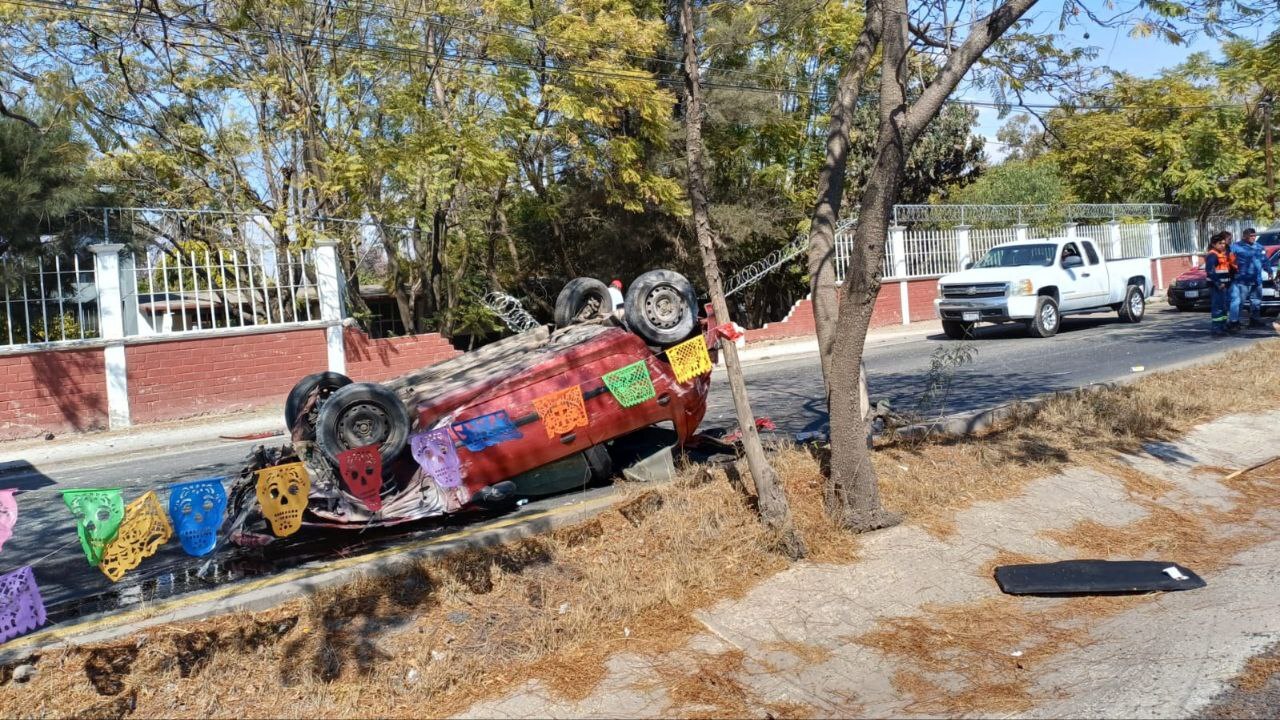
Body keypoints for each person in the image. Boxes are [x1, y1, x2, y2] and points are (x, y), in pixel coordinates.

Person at [1229, 227, 1270, 329]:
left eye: (1254, 235)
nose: (1253, 238)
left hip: (1257, 279)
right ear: (1245, 236)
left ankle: (1254, 320)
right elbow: (1228, 259)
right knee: (1240, 302)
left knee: (1256, 301)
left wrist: (1269, 270)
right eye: (1251, 236)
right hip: (1243, 280)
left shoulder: (1259, 247)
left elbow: (1264, 260)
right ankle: (1235, 322)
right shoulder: (1236, 247)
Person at [1205, 232, 1236, 336]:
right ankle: (1216, 328)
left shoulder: (1221, 254)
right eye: (1220, 243)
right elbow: (1210, 271)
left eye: (1223, 243)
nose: (1223, 245)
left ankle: (1222, 326)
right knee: (1218, 307)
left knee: (1223, 307)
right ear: (1214, 244)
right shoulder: (1212, 255)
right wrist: (1218, 283)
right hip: (1217, 286)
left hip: (1224, 285)